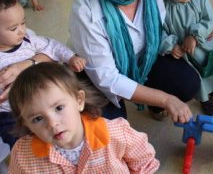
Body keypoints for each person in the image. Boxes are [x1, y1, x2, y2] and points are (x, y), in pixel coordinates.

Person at [69, 0, 201, 123]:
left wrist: (202, 27)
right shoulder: (86, 11)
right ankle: (149, 98)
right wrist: (166, 99)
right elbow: (108, 79)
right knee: (109, 125)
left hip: (147, 56)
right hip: (99, 74)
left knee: (187, 83)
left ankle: (150, 99)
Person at [7, 62, 160, 173]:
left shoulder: (116, 133)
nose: (52, 124)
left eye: (59, 108)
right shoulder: (23, 156)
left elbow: (144, 162)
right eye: (37, 119)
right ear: (26, 124)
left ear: (79, 101)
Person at [0, 0, 85, 148]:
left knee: (62, 130)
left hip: (44, 102)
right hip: (11, 114)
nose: (21, 30)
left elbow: (51, 46)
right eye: (13, 28)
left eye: (23, 22)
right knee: (25, 147)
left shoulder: (27, 39)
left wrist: (71, 57)